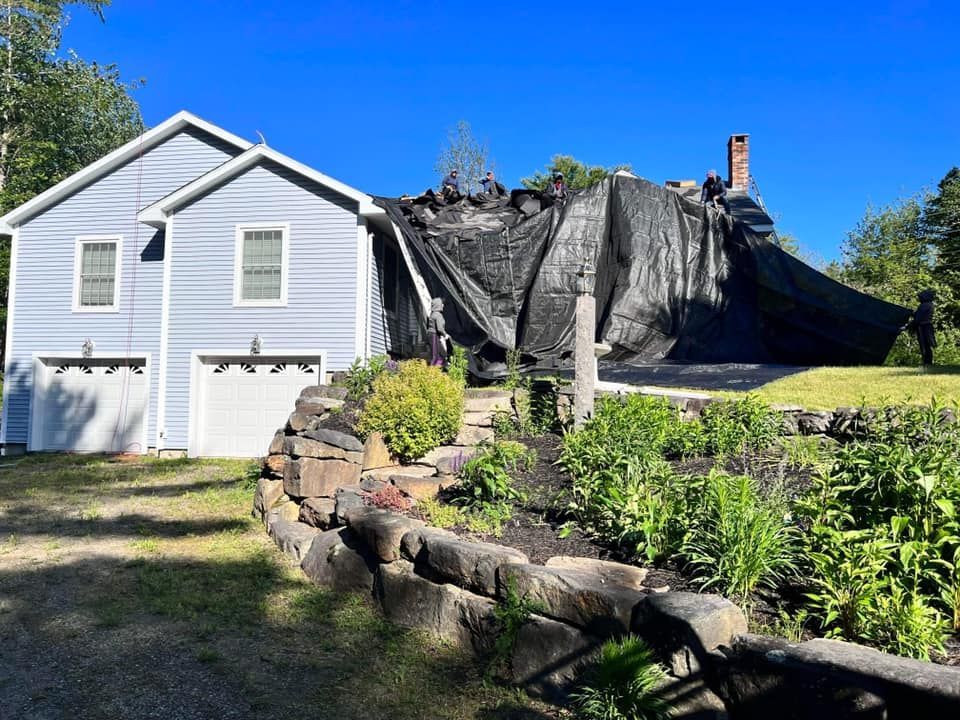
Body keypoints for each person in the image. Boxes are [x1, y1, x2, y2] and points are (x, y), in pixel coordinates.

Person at [906, 289, 937, 365]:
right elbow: (917, 315)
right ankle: (927, 362)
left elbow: (918, 319)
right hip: (927, 326)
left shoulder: (925, 305)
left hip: (923, 327)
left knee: (924, 345)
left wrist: (907, 326)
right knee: (926, 345)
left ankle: (927, 362)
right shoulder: (929, 305)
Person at [427, 297, 449, 367]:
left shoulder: (432, 314)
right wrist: (445, 335)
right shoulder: (438, 315)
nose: (443, 305)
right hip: (434, 335)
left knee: (442, 354)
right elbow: (439, 328)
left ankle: (440, 369)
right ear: (438, 305)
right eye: (442, 304)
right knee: (435, 356)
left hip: (433, 335)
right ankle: (431, 373)